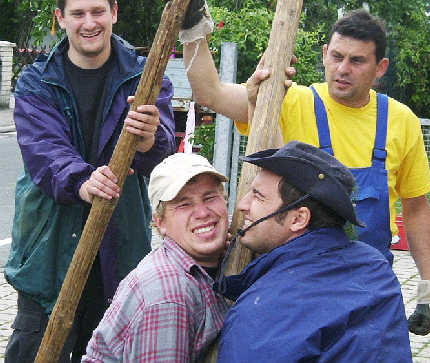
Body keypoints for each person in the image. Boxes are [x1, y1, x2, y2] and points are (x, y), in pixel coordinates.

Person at [180, 4, 430, 335]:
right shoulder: (285, 100)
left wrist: (426, 286)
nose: (342, 68)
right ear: (324, 53)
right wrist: (192, 30)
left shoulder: (401, 122)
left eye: (357, 61)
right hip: (293, 287)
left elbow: (415, 209)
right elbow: (209, 92)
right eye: (337, 56)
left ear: (380, 67)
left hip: (366, 291)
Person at [4, 0, 176, 361]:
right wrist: (82, 179)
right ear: (61, 18)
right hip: (47, 251)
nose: (89, 23)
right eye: (78, 13)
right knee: (36, 351)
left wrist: (149, 139)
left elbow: (160, 153)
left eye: (97, 11)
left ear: (114, 12)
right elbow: (44, 151)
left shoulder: (144, 75)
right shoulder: (37, 81)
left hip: (120, 248)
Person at [213, 140, 412, 362]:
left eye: (258, 196)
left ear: (298, 219)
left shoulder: (260, 314)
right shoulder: (375, 266)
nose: (242, 204)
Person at [82, 153, 230, 362]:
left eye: (210, 197)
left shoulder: (217, 261)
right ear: (160, 222)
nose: (202, 213)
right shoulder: (168, 294)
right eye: (183, 204)